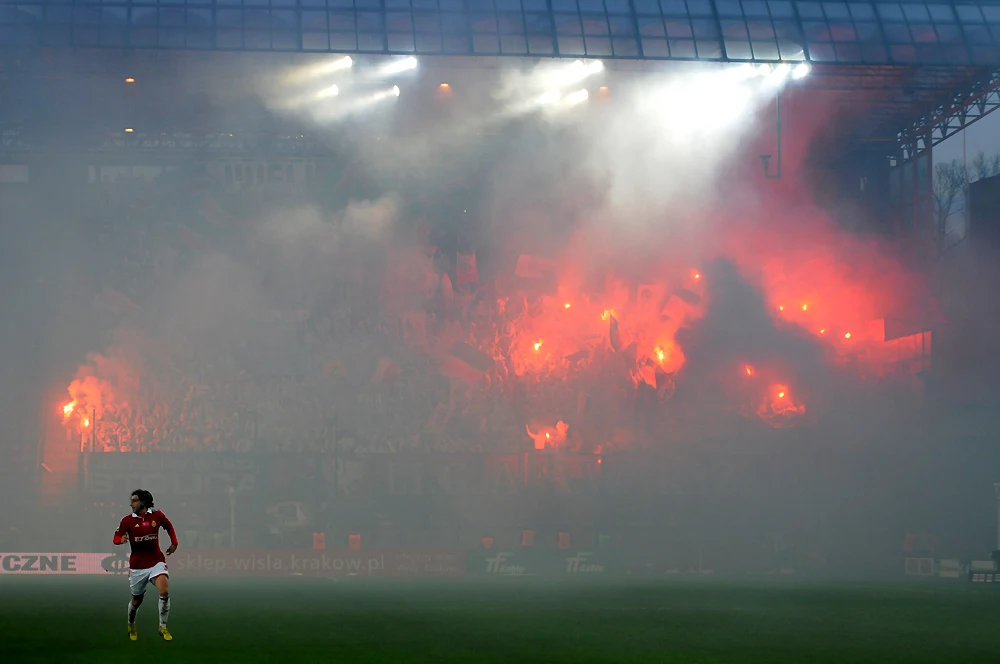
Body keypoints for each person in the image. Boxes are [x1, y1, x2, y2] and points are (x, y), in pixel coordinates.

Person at [112, 489, 179, 641]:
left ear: (143, 502)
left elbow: (169, 526)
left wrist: (174, 543)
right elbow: (116, 537)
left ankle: (163, 627)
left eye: (134, 500)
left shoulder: (157, 515)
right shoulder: (127, 521)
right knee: (136, 600)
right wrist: (120, 540)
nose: (131, 503)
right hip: (137, 567)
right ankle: (131, 624)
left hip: (156, 561)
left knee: (164, 591)